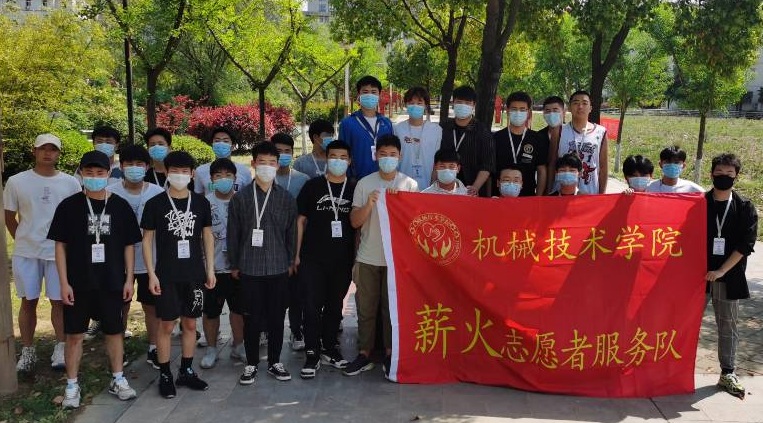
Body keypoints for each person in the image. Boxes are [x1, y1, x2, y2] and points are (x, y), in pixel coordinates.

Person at [47, 150, 142, 408]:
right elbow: (60, 246)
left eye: (100, 172)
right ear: (80, 174)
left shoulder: (120, 206)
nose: (94, 177)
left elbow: (129, 246)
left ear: (109, 173)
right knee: (74, 335)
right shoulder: (69, 206)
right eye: (89, 172)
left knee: (114, 332)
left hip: (112, 281)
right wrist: (63, 282)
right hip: (79, 282)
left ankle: (118, 378)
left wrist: (129, 279)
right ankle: (71, 385)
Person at [141, 151, 216, 398]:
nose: (180, 175)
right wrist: (151, 274)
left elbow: (207, 236)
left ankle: (186, 370)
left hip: (194, 274)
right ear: (166, 172)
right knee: (166, 324)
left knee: (191, 323)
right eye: (175, 171)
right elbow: (147, 240)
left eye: (185, 171)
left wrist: (210, 269)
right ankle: (165, 373)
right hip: (166, 274)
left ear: (192, 174)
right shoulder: (155, 203)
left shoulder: (201, 202)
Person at [4, 133, 81, 372]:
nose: (48, 153)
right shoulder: (16, 181)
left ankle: (61, 346)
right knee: (28, 301)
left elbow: (75, 217)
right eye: (43, 148)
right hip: (27, 252)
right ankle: (28, 350)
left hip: (58, 253)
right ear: (34, 151)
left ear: (58, 153)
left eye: (53, 149)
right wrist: (24, 239)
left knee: (59, 301)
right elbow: (9, 217)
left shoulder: (70, 183)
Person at [346, 134, 418, 378]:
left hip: (396, 260)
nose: (388, 159)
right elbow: (355, 222)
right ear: (376, 156)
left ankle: (390, 353)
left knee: (392, 311)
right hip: (368, 257)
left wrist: (400, 204)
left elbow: (415, 224)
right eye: (383, 154)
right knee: (366, 309)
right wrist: (369, 203)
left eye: (393, 155)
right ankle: (364, 353)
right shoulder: (365, 183)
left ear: (400, 156)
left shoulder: (409, 185)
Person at [228, 142, 298, 385]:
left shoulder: (286, 198)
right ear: (253, 164)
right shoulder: (241, 198)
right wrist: (234, 264)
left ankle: (275, 361)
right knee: (252, 318)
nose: (266, 167)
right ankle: (251, 363)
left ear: (278, 166)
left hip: (279, 267)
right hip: (250, 267)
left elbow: (291, 233)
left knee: (277, 317)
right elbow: (233, 234)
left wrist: (291, 260)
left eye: (271, 162)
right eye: (262, 162)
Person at [295, 140, 356, 378]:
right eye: (333, 156)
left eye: (343, 157)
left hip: (342, 259)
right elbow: (300, 221)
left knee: (334, 305)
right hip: (312, 258)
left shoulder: (355, 187)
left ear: (349, 161)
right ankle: (312, 352)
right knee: (311, 305)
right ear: (326, 159)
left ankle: (329, 348)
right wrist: (296, 255)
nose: (338, 161)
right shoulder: (313, 186)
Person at [704, 153, 758, 398]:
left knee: (728, 325)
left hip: (728, 276)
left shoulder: (745, 207)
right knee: (686, 324)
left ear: (736, 176)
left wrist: (722, 270)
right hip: (697, 277)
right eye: (719, 173)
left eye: (729, 174)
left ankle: (727, 372)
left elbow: (746, 244)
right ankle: (676, 369)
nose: (723, 177)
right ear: (711, 174)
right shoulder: (698, 203)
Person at [106, 145, 164, 369]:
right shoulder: (110, 192)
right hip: (118, 261)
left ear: (147, 167)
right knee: (120, 306)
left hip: (151, 260)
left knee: (151, 306)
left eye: (139, 164)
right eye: (129, 164)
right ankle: (118, 348)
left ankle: (154, 347)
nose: (134, 168)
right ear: (121, 166)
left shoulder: (157, 193)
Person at [199, 158, 246, 369]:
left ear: (235, 178)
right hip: (212, 268)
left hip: (238, 268)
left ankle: (239, 345)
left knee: (239, 309)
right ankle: (211, 348)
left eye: (228, 175)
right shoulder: (203, 203)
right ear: (211, 180)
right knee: (211, 311)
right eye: (218, 176)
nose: (223, 179)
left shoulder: (242, 201)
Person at [271, 132, 310, 351]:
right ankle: (267, 329)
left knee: (297, 292)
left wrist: (296, 251)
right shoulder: (264, 178)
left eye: (287, 151)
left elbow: (304, 217)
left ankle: (297, 330)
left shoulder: (302, 180)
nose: (283, 155)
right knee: (272, 292)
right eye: (278, 151)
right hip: (270, 244)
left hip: (295, 242)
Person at [439, 86, 495, 197]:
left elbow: (488, 165)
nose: (463, 105)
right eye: (459, 102)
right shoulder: (443, 127)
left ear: (474, 105)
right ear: (453, 103)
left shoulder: (482, 131)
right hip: (444, 189)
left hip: (472, 191)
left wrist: (475, 187)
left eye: (467, 103)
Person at [338, 75, 394, 179]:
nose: (369, 95)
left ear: (379, 95)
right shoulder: (347, 124)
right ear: (359, 95)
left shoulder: (386, 123)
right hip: (357, 180)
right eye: (365, 92)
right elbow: (341, 154)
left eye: (373, 92)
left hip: (383, 179)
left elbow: (392, 151)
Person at [493, 91, 548, 196]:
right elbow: (490, 171)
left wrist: (538, 198)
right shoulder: (496, 138)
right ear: (507, 111)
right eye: (514, 109)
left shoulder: (537, 138)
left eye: (522, 109)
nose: (518, 113)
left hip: (527, 197)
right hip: (499, 197)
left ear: (528, 112)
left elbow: (541, 170)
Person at [555, 90, 608, 194]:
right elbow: (552, 162)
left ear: (590, 108)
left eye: (584, 103)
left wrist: (602, 195)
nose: (580, 107)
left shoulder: (601, 132)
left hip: (590, 193)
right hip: (562, 192)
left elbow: (603, 168)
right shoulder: (559, 130)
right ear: (569, 107)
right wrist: (549, 191)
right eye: (576, 103)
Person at [394, 86, 442, 189]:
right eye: (411, 103)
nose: (415, 106)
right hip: (402, 186)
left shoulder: (436, 130)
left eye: (419, 103)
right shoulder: (397, 129)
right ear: (406, 105)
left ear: (426, 105)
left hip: (429, 186)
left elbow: (437, 160)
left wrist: (433, 185)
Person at [194, 127, 253, 195]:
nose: (221, 144)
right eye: (217, 141)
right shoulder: (200, 171)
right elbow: (198, 196)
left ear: (232, 146)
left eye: (226, 141)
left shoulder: (244, 171)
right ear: (212, 145)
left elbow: (249, 196)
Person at [539, 96, 565, 194]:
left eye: (555, 110)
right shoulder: (538, 136)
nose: (551, 114)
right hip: (545, 189)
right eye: (548, 111)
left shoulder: (571, 135)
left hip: (566, 189)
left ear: (564, 112)